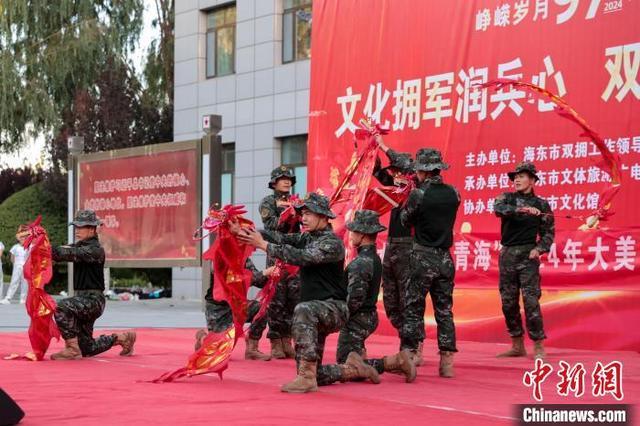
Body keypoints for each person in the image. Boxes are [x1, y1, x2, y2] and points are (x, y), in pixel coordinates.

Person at [236, 192, 363, 393]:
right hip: (316, 311)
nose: (303, 218)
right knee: (318, 373)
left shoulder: (331, 242)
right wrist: (246, 231)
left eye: (309, 214)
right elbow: (280, 237)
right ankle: (353, 369)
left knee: (302, 309)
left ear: (323, 217)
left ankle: (306, 378)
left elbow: (301, 257)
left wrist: (261, 245)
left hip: (333, 308)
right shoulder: (307, 237)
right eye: (302, 213)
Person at [317, 210, 416, 387]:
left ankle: (395, 361)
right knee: (352, 360)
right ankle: (395, 361)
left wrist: (337, 317)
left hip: (358, 319)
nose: (350, 235)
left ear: (362, 234)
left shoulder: (361, 263)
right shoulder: (373, 258)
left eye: (353, 231)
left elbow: (354, 299)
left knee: (347, 365)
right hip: (366, 317)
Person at [400, 148, 460, 378]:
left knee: (414, 307)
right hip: (445, 257)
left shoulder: (419, 194)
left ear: (423, 171)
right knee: (444, 310)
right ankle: (447, 362)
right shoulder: (454, 193)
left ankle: (412, 355)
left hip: (422, 256)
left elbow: (406, 220)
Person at [49, 210, 136, 360]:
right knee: (87, 348)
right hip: (82, 300)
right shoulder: (80, 247)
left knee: (61, 307)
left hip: (92, 301)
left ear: (91, 229)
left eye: (80, 227)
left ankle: (72, 349)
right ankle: (121, 338)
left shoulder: (94, 250)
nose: (77, 230)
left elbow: (63, 253)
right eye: (76, 226)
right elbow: (61, 251)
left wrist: (44, 246)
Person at [494, 161, 555, 360]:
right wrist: (523, 210)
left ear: (532, 180)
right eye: (515, 177)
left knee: (530, 301)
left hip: (528, 255)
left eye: (521, 176)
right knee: (508, 302)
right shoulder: (507, 198)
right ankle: (517, 344)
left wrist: (539, 249)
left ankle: (538, 344)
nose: (517, 180)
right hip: (508, 254)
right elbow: (498, 209)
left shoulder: (542, 204)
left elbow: (548, 233)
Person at [372, 135, 417, 357]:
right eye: (395, 172)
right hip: (391, 247)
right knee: (390, 300)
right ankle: (407, 337)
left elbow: (406, 165)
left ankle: (411, 347)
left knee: (408, 299)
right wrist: (371, 150)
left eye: (401, 172)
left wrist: (383, 145)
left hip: (410, 248)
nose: (396, 176)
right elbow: (377, 172)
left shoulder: (419, 191)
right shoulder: (395, 187)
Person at [194, 258, 275, 361]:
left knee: (261, 310)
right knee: (220, 352)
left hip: (237, 305)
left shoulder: (244, 259)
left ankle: (252, 349)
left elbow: (259, 282)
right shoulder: (220, 257)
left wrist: (272, 274)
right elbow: (233, 280)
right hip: (219, 309)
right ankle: (203, 338)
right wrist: (265, 272)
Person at [258, 166, 301, 359]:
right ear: (274, 182)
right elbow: (271, 227)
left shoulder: (297, 201)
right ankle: (275, 340)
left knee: (294, 296)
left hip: (294, 253)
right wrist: (287, 214)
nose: (286, 181)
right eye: (282, 178)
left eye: (289, 178)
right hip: (276, 253)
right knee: (276, 298)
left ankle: (287, 339)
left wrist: (298, 211)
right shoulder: (268, 202)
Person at [0, 231, 29, 305]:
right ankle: (8, 298)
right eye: (21, 238)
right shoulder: (15, 246)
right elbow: (12, 258)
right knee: (14, 281)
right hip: (17, 266)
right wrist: (15, 264)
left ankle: (23, 299)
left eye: (24, 238)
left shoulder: (29, 247)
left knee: (25, 283)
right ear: (19, 239)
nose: (23, 239)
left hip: (26, 267)